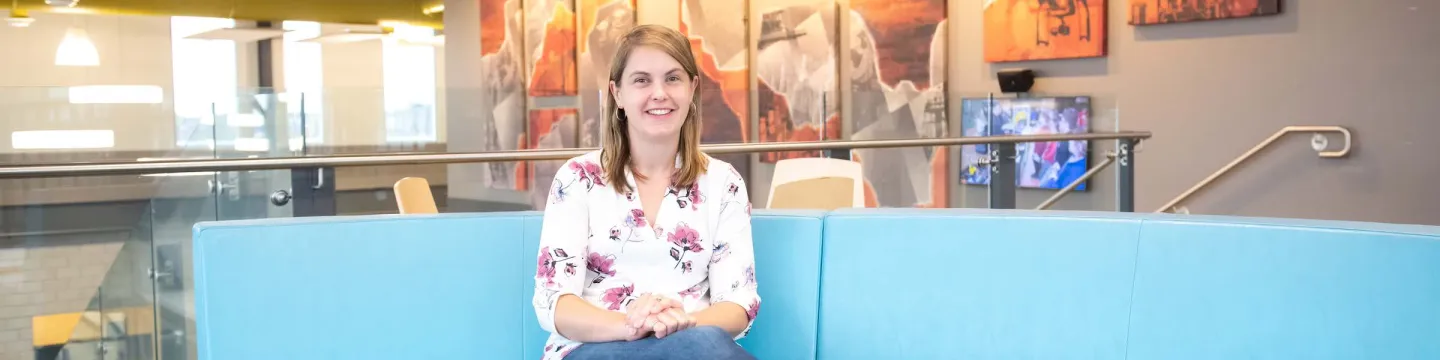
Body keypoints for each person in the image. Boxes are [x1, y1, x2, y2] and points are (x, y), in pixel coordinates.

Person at [531, 24, 760, 360]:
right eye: (641, 80)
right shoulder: (577, 178)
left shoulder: (724, 183)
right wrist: (631, 325)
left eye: (672, 78)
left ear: (692, 88)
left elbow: (739, 304)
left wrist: (679, 323)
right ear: (618, 93)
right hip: (595, 348)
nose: (659, 93)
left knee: (706, 348)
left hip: (695, 346)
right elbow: (554, 303)